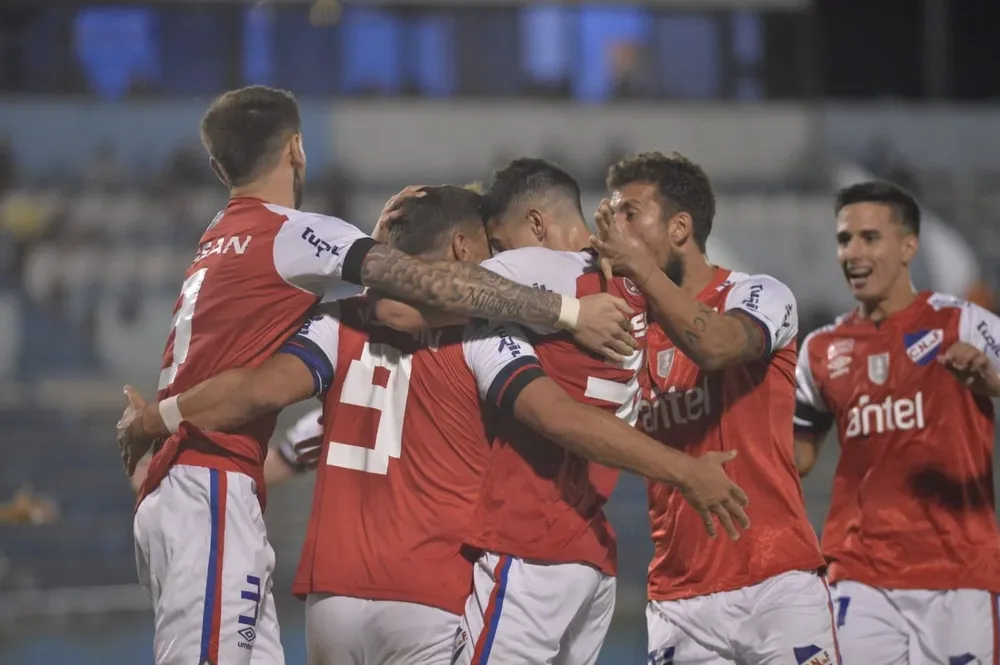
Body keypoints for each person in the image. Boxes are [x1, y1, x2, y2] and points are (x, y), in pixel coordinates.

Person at [119, 186, 748, 665]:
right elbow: (554, 415)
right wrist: (680, 469)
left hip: (330, 599)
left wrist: (164, 420)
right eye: (488, 249)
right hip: (428, 592)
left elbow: (261, 395)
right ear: (461, 251)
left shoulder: (340, 321)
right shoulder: (480, 333)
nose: (495, 264)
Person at [123, 85, 635, 665]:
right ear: (298, 148)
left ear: (217, 166)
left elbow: (292, 401)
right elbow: (418, 292)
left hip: (318, 581)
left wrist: (160, 420)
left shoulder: (235, 249)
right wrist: (569, 311)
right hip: (418, 582)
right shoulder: (478, 333)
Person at [591, 151, 839, 665]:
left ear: (680, 227)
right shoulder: (622, 333)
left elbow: (719, 346)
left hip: (778, 583)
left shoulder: (759, 295)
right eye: (612, 216)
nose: (616, 230)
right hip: (680, 598)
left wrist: (638, 268)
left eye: (631, 214)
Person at [794, 181, 1000, 665]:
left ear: (909, 245)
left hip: (959, 573)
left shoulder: (962, 322)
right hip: (857, 574)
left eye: (870, 237)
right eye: (845, 239)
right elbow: (798, 454)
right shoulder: (821, 349)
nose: (853, 252)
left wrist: (992, 382)